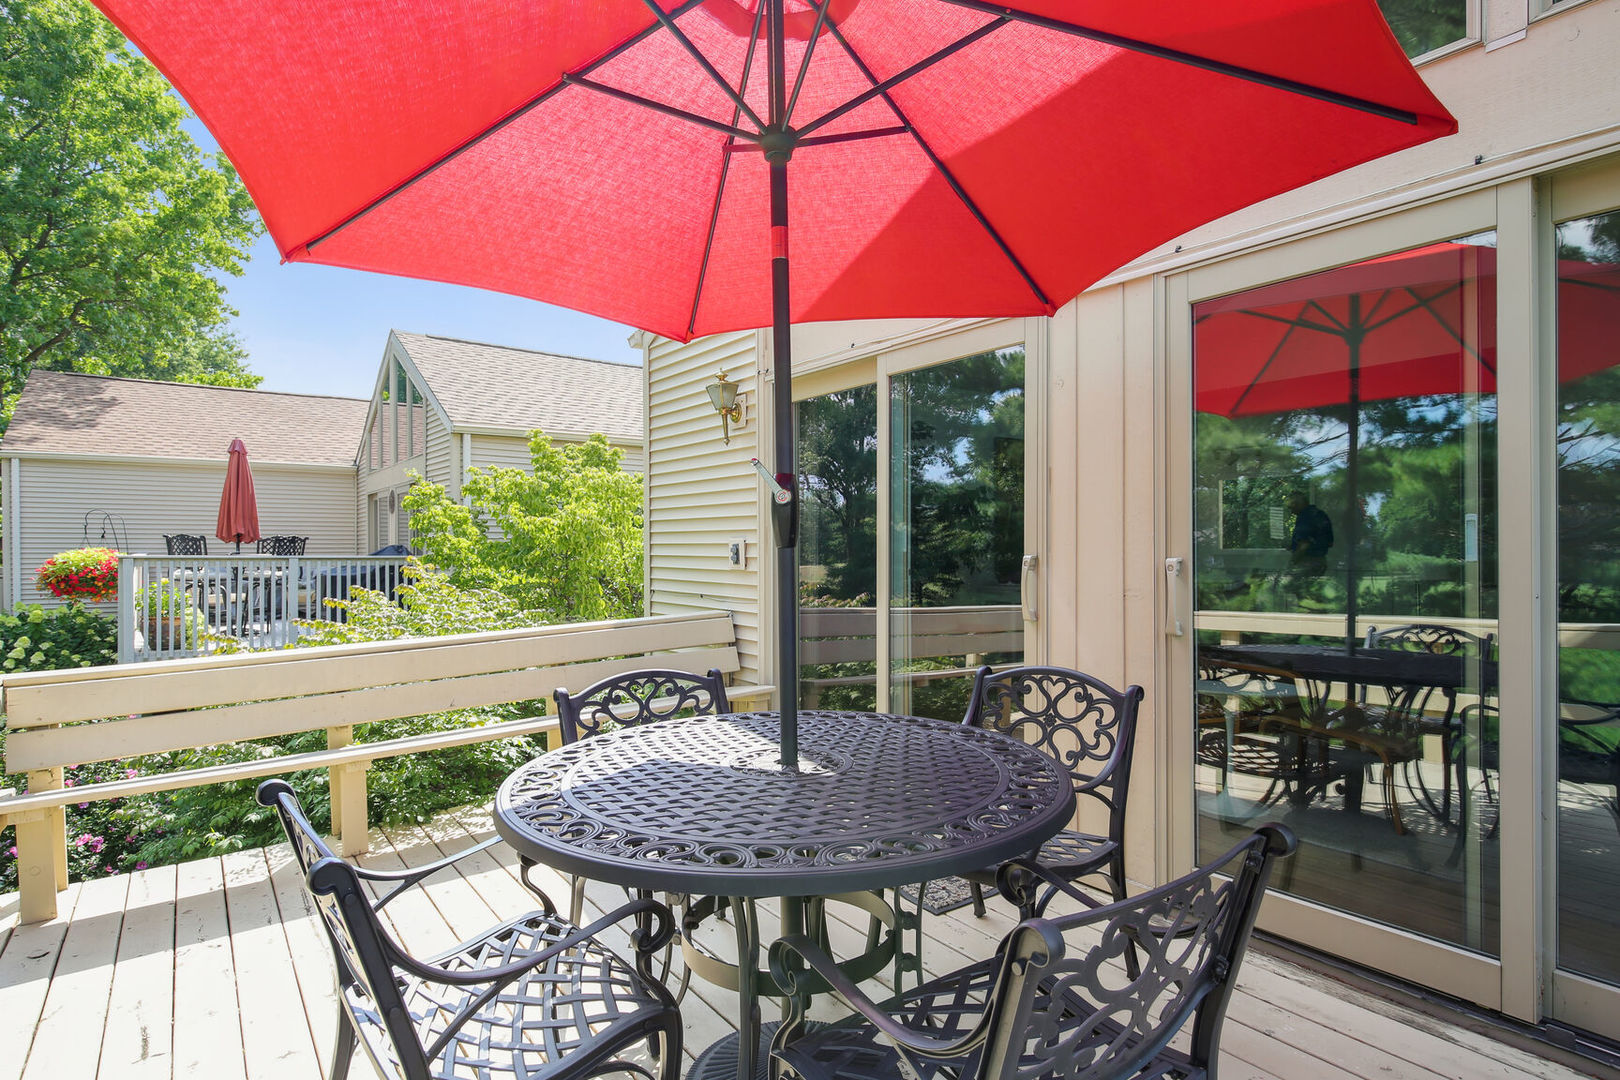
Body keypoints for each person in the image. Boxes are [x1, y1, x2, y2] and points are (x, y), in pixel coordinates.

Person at [1285, 491, 1332, 576]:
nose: (1292, 512)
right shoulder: (1320, 514)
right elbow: (1329, 542)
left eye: (1292, 507)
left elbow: (1304, 545)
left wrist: (1291, 563)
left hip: (1307, 563)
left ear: (1299, 504)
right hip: (1321, 562)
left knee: (1289, 583)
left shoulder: (1305, 517)